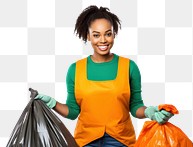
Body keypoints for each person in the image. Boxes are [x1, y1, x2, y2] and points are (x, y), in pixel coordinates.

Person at [35, 5, 174, 147]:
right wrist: (52, 103)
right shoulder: (75, 69)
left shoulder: (129, 67)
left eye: (108, 34)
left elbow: (135, 106)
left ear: (114, 34)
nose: (103, 40)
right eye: (96, 35)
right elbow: (73, 111)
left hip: (121, 141)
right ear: (88, 36)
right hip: (85, 142)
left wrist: (150, 112)